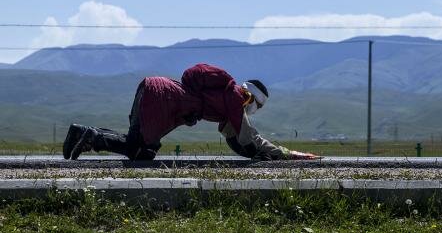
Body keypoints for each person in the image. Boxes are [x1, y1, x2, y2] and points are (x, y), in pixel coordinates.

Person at [63, 63, 320, 161]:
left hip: (153, 88)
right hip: (161, 100)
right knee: (138, 150)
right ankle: (88, 136)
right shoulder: (233, 98)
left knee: (142, 151)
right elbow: (249, 139)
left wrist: (257, 152)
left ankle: (87, 136)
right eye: (259, 106)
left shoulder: (226, 94)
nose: (255, 110)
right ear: (253, 99)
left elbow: (238, 140)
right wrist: (288, 154)